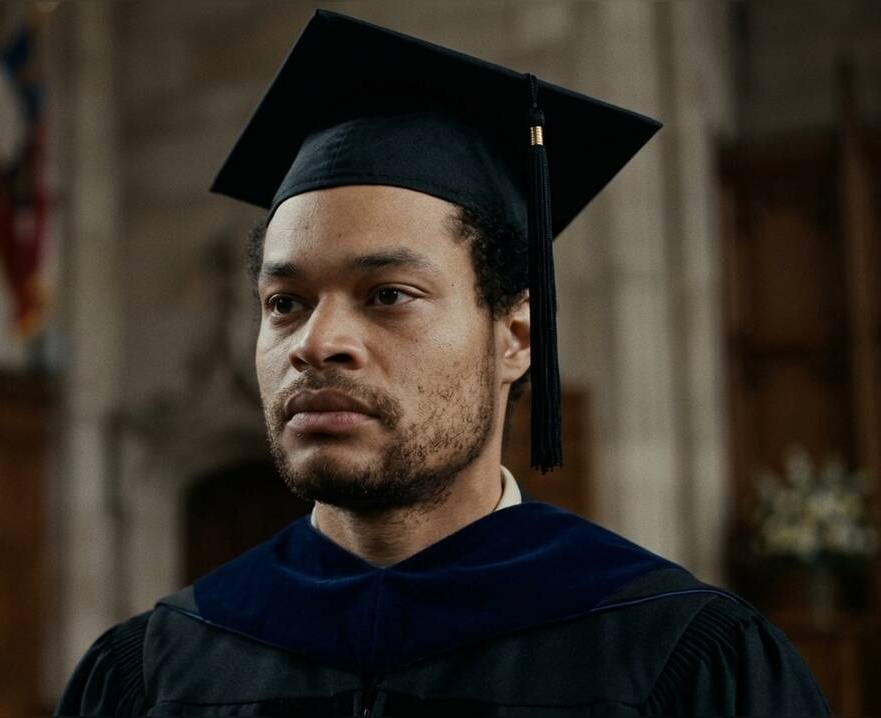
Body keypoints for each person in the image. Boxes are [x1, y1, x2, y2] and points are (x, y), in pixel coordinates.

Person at [56, 10, 829, 716]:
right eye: (285, 302)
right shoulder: (150, 671)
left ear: (515, 337)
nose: (315, 343)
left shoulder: (683, 659)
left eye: (388, 294)